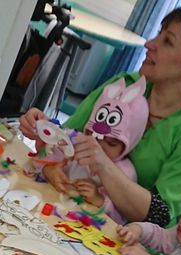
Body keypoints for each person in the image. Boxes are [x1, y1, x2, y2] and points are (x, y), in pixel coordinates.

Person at [20, 6, 181, 226]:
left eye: (167, 41)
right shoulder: (123, 86)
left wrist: (103, 165)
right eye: (158, 33)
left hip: (125, 239)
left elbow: (159, 215)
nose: (149, 44)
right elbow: (64, 142)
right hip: (67, 210)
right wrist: (46, 143)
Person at [61, 75, 149, 225]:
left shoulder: (125, 173)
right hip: (56, 206)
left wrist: (99, 200)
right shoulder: (78, 141)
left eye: (111, 143)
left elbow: (120, 219)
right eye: (93, 135)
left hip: (81, 227)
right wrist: (50, 169)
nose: (98, 146)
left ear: (130, 144)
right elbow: (48, 155)